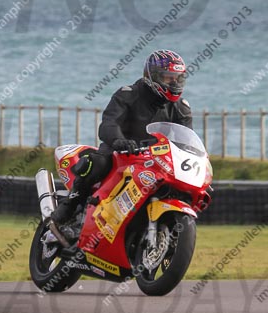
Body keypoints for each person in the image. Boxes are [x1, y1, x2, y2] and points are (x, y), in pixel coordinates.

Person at [50, 50, 192, 229]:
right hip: (121, 154)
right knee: (98, 162)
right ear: (152, 76)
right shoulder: (128, 95)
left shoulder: (181, 109)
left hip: (155, 162)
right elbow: (109, 123)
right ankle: (71, 203)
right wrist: (119, 140)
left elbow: (185, 141)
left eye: (178, 78)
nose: (174, 83)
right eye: (168, 78)